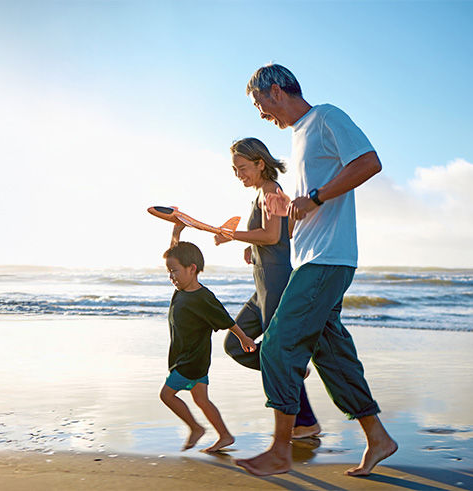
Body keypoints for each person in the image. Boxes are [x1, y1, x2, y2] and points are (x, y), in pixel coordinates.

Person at [234, 64, 398, 477]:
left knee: (276, 347)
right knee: (332, 356)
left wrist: (316, 197)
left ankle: (280, 449)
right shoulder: (298, 135)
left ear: (275, 91)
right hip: (311, 258)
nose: (261, 114)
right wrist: (288, 209)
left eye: (259, 104)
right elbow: (309, 202)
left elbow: (369, 162)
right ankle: (378, 437)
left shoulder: (325, 116)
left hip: (328, 259)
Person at [214, 137, 322, 439]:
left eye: (243, 168)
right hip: (262, 285)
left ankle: (305, 422)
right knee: (235, 344)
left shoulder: (272, 190)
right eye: (235, 170)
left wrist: (235, 236)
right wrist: (253, 247)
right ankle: (293, 371)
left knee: (278, 354)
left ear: (261, 163)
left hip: (276, 283)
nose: (240, 175)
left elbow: (273, 235)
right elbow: (285, 231)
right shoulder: (264, 193)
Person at [160, 236, 257, 453]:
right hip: (192, 357)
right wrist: (176, 232)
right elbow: (176, 254)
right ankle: (225, 436)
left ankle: (195, 428)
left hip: (191, 360)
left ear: (191, 269)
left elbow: (225, 318)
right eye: (169, 271)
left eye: (174, 271)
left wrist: (243, 338)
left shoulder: (202, 298)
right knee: (201, 399)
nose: (171, 276)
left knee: (166, 395)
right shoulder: (183, 290)